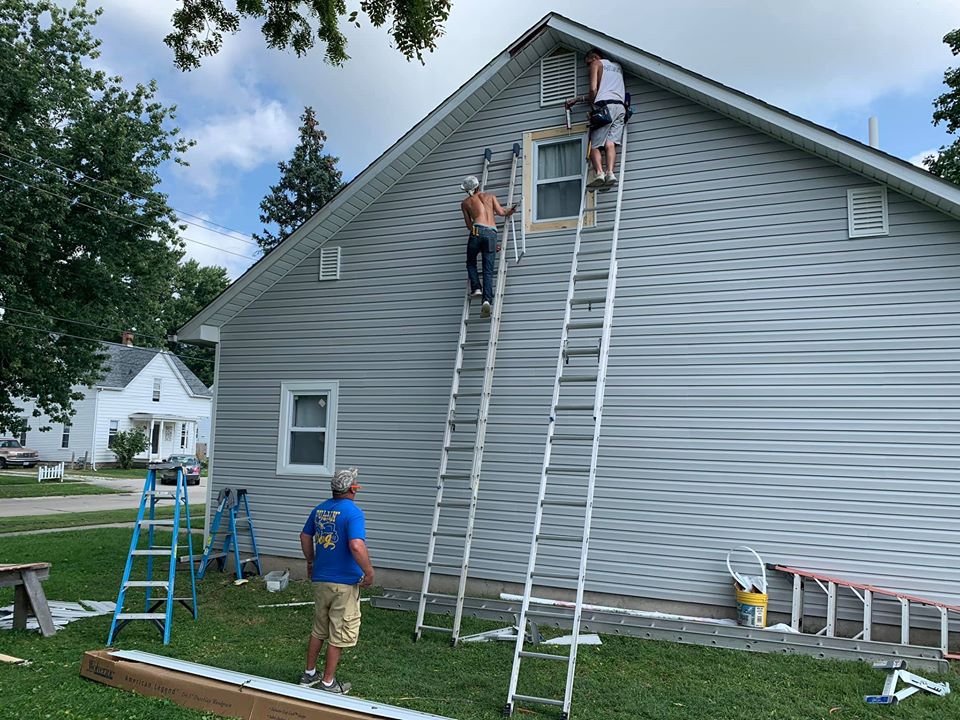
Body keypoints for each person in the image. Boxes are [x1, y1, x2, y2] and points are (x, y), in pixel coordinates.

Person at [298, 467, 374, 693]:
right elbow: (356, 545)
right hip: (344, 584)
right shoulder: (353, 513)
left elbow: (304, 536)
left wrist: (311, 561)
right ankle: (328, 683)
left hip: (321, 580)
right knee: (338, 631)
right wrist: (368, 572)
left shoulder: (320, 509)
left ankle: (309, 674)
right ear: (352, 489)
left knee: (319, 628)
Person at [565, 47, 627, 190]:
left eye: (588, 63)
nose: (588, 68)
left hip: (604, 107)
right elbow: (605, 91)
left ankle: (599, 173)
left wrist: (594, 108)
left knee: (594, 145)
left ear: (594, 57)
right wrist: (578, 99)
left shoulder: (596, 64)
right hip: (620, 107)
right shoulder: (618, 67)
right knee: (610, 143)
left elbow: (593, 90)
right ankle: (610, 173)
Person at [460, 175, 517, 319]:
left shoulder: (466, 203)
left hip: (476, 230)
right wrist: (511, 210)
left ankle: (476, 287)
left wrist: (477, 236)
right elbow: (503, 212)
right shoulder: (491, 197)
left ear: (469, 190)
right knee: (488, 270)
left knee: (471, 261)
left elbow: (469, 226)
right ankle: (486, 300)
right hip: (492, 233)